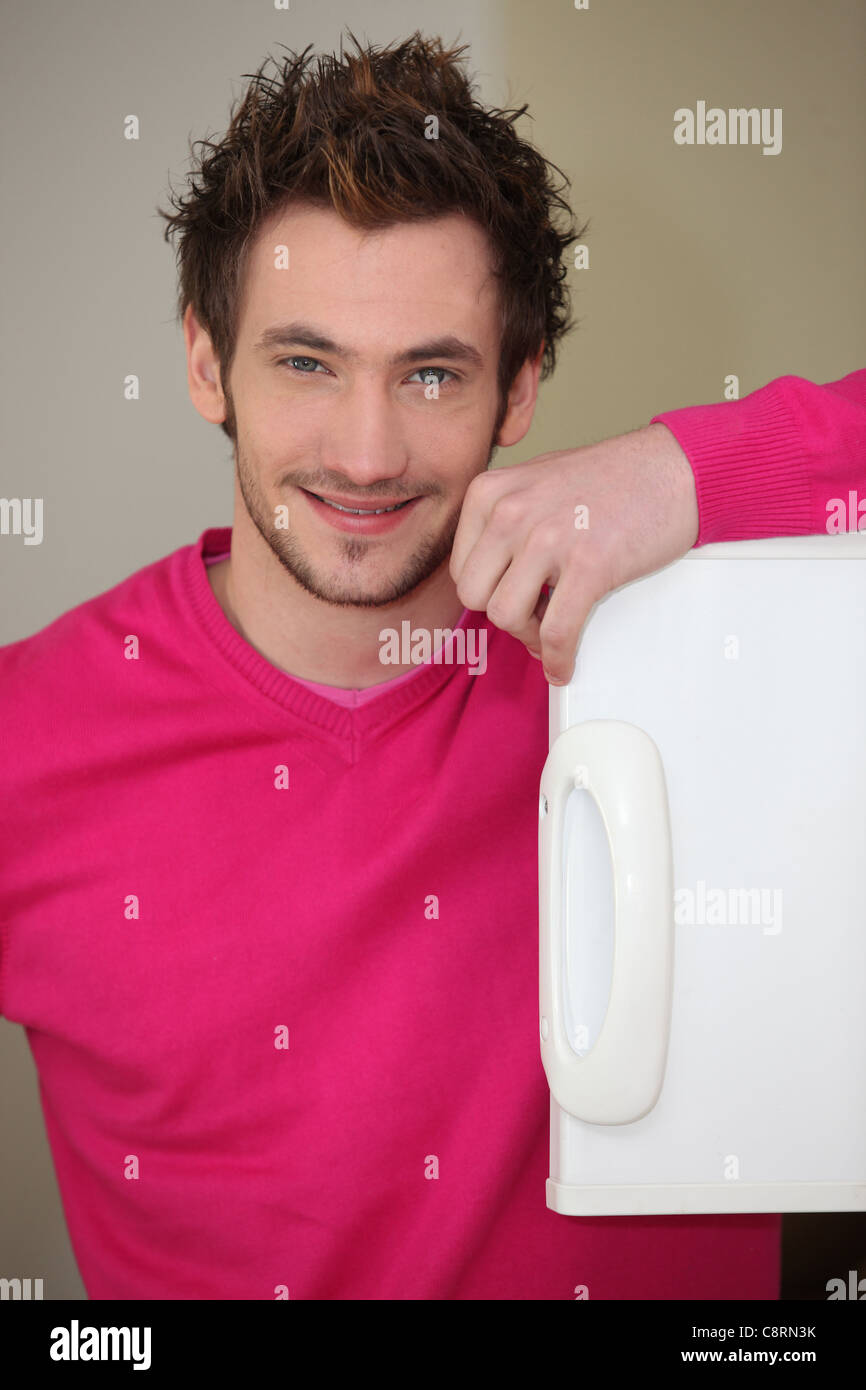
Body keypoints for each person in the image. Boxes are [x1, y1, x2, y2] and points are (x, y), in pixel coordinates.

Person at [0, 31, 863, 1302]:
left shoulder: (669, 640)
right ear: (202, 362)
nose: (365, 453)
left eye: (431, 373)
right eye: (305, 362)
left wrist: (688, 469)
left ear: (518, 390)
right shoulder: (31, 736)